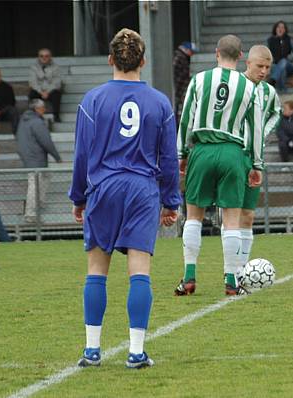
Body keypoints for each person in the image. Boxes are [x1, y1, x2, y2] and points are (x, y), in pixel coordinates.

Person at [69, 28, 180, 369]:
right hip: (141, 190)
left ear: (110, 60)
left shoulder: (92, 100)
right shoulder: (160, 102)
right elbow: (169, 159)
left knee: (96, 271)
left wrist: (78, 197)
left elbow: (81, 155)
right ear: (143, 62)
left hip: (103, 187)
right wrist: (171, 201)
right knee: (139, 272)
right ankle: (136, 352)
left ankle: (91, 351)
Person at [175, 34, 262, 296]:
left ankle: (189, 277)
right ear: (241, 57)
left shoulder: (199, 79)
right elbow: (255, 127)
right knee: (232, 219)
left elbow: (186, 118)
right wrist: (256, 163)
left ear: (216, 53)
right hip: (233, 152)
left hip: (201, 150)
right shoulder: (249, 86)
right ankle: (232, 280)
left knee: (194, 216)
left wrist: (181, 153)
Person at [236, 45, 281, 272]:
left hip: (254, 157)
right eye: (259, 66)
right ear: (248, 63)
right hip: (233, 154)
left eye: (267, 67)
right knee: (230, 213)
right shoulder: (234, 84)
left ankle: (242, 267)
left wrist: (261, 132)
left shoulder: (268, 92)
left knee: (249, 214)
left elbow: (277, 113)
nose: (263, 71)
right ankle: (231, 268)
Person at [16, 99, 62, 222]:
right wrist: (57, 156)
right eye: (43, 108)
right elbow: (46, 141)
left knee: (43, 179)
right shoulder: (37, 122)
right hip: (36, 158)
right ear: (37, 109)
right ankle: (31, 214)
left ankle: (39, 204)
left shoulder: (24, 120)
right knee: (35, 184)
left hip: (28, 156)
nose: (44, 110)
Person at [29, 48, 62, 122]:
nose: (44, 58)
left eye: (46, 56)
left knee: (57, 94)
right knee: (32, 94)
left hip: (50, 91)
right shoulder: (33, 68)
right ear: (38, 57)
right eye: (41, 56)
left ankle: (56, 116)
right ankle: (33, 116)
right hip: (38, 91)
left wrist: (47, 91)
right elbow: (33, 82)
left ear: (50, 57)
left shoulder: (56, 67)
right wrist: (41, 92)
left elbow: (57, 82)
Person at [267, 20, 293, 93]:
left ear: (285, 30)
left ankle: (273, 79)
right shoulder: (270, 40)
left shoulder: (290, 40)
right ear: (275, 29)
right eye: (278, 27)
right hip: (275, 65)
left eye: (282, 27)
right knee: (282, 70)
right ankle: (283, 91)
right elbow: (266, 54)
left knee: (283, 61)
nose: (280, 29)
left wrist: (288, 57)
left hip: (289, 65)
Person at [173, 41, 198, 122]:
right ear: (186, 50)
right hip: (178, 88)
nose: (192, 54)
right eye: (191, 51)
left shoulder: (181, 57)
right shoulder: (179, 57)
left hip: (179, 88)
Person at [0, 68, 19, 135]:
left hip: (4, 113)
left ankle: (17, 134)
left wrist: (0, 111)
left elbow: (12, 103)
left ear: (0, 76)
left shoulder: (7, 87)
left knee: (13, 111)